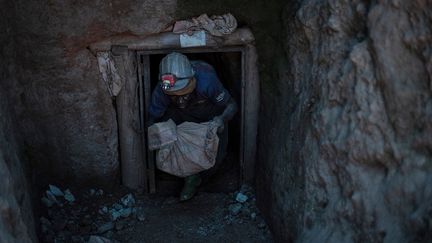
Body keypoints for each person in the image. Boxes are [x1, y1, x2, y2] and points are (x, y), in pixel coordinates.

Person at [148, 52, 238, 201]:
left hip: (209, 116)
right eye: (174, 96)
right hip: (179, 117)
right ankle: (190, 177)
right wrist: (157, 136)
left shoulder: (206, 79)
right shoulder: (161, 89)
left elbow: (231, 105)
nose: (181, 100)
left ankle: (202, 179)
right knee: (174, 150)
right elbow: (154, 118)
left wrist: (221, 119)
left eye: (184, 93)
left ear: (192, 81)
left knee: (214, 155)